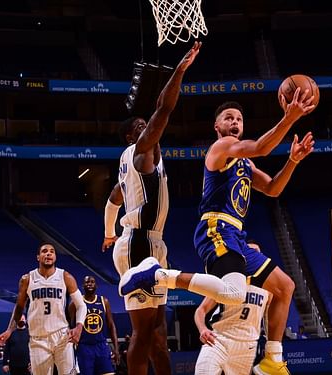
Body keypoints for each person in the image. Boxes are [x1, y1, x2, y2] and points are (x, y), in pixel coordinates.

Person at [117, 92, 315, 375]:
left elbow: (272, 188)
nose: (234, 122)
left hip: (238, 236)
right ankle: (157, 275)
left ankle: (272, 358)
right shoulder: (221, 148)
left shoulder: (246, 164)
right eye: (228, 118)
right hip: (216, 227)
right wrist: (290, 117)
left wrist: (293, 161)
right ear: (217, 127)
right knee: (234, 294)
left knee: (284, 288)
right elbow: (260, 146)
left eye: (239, 119)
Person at [101, 41, 201, 375]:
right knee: (144, 332)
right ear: (133, 136)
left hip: (151, 242)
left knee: (159, 333)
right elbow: (164, 109)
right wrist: (180, 71)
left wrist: (107, 233)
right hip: (139, 243)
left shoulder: (135, 166)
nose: (148, 127)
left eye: (147, 125)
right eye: (141, 126)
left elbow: (114, 197)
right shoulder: (140, 151)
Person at [0, 243, 87, 375]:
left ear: (55, 257)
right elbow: (19, 307)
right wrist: (10, 330)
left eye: (52, 251)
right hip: (38, 338)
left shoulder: (65, 277)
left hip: (62, 336)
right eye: (44, 251)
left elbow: (81, 305)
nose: (49, 253)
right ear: (38, 257)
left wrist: (79, 327)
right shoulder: (27, 279)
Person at [193, 241, 272, 375]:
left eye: (257, 253)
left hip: (247, 346)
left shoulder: (269, 288)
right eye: (250, 252)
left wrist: (272, 347)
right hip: (219, 340)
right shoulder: (227, 281)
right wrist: (203, 329)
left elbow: (269, 320)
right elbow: (200, 310)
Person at [68, 275, 119, 375]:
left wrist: (116, 349)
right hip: (84, 347)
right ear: (83, 286)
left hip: (102, 346)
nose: (89, 284)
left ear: (96, 285)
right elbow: (70, 327)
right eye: (87, 282)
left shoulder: (104, 301)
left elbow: (111, 325)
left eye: (92, 282)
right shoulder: (75, 304)